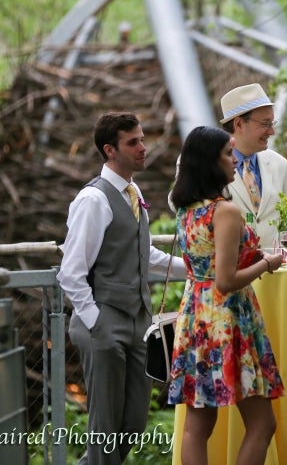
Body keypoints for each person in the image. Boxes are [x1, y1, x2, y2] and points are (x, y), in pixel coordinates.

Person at [57, 111, 187, 465]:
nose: (143, 147)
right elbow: (70, 272)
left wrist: (194, 268)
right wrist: (97, 322)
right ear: (109, 150)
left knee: (132, 423)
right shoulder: (93, 200)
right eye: (133, 142)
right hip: (104, 322)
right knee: (105, 426)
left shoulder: (132, 192)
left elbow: (145, 254)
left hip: (138, 323)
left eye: (142, 139)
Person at [168, 126, 285, 465]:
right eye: (227, 153)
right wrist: (267, 262)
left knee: (197, 427)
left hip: (196, 316)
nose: (234, 159)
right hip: (228, 318)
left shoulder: (186, 209)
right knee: (263, 423)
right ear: (210, 161)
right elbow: (226, 280)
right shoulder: (225, 211)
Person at [219, 83, 287, 248]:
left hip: (274, 269)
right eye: (265, 124)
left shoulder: (279, 164)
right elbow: (180, 205)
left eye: (273, 123)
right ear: (238, 124)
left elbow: (285, 225)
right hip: (227, 270)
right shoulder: (205, 162)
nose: (272, 131)